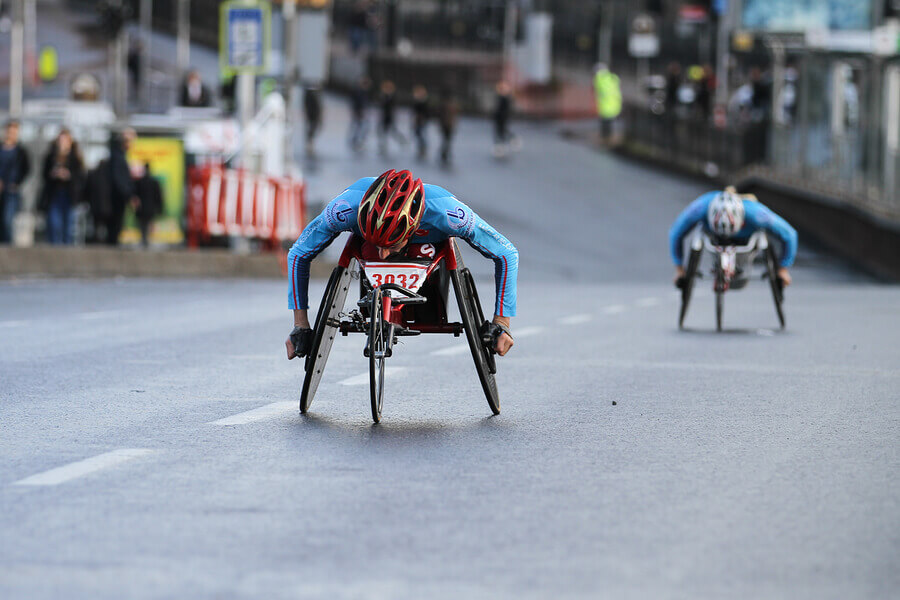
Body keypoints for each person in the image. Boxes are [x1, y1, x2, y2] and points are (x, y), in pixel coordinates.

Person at [284, 169, 518, 360]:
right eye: (378, 245)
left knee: (430, 292)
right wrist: (300, 325)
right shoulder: (344, 210)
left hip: (429, 242)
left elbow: (507, 254)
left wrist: (502, 322)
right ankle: (375, 252)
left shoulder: (449, 215)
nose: (383, 255)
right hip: (365, 232)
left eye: (391, 246)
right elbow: (298, 254)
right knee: (370, 252)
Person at [669, 187, 798, 290]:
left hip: (745, 238)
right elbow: (676, 233)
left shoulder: (756, 214)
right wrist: (679, 269)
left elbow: (789, 234)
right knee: (698, 236)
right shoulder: (700, 208)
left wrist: (783, 268)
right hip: (713, 236)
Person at [39, 128, 84, 245]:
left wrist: (68, 175)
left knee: (68, 227)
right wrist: (54, 174)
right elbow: (43, 175)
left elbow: (81, 177)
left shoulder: (75, 158)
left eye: (65, 140)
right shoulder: (51, 157)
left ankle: (67, 254)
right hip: (54, 194)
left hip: (69, 195)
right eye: (60, 140)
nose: (62, 143)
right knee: (54, 225)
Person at [104, 128, 137, 246]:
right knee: (115, 228)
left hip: (116, 198)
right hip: (116, 199)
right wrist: (129, 195)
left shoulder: (118, 155)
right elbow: (119, 180)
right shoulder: (118, 157)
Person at [0, 120, 31, 244]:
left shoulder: (21, 151)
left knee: (7, 220)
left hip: (11, 191)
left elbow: (26, 169)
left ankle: (6, 249)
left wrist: (17, 183)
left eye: (14, 132)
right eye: (10, 131)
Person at [134, 162, 162, 247]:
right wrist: (159, 207)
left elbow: (135, 194)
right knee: (148, 224)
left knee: (142, 224)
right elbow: (158, 196)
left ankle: (144, 239)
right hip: (150, 208)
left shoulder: (139, 182)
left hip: (141, 208)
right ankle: (146, 240)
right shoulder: (154, 182)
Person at [593, 63, 621, 145]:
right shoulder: (613, 78)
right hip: (614, 104)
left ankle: (605, 138)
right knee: (609, 124)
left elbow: (597, 88)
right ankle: (608, 138)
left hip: (605, 106)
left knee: (605, 124)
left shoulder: (599, 79)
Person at [378, 80, 406, 155]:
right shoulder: (384, 96)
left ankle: (401, 140)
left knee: (392, 131)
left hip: (390, 117)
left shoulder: (392, 97)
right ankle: (383, 146)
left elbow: (393, 107)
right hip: (384, 117)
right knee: (383, 132)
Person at [437, 86, 458, 166]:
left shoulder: (444, 104)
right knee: (447, 140)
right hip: (448, 125)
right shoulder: (452, 104)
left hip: (447, 125)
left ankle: (445, 154)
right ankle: (445, 154)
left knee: (446, 140)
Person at [348, 76, 371, 151]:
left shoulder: (363, 91)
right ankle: (356, 141)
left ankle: (357, 141)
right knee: (360, 127)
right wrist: (358, 111)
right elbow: (356, 102)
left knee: (360, 127)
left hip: (361, 112)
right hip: (359, 112)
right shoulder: (359, 91)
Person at [303, 85, 323, 158]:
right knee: (312, 126)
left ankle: (310, 141)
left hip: (313, 113)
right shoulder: (314, 94)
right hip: (312, 113)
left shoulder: (316, 93)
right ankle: (309, 141)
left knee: (312, 126)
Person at [411, 84, 430, 160]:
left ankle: (423, 149)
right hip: (418, 120)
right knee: (418, 134)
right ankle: (421, 149)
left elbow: (426, 112)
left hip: (422, 121)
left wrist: (423, 119)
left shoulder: (423, 101)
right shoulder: (417, 101)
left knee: (421, 134)